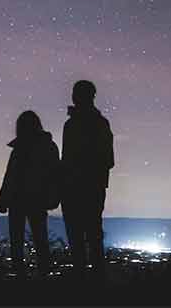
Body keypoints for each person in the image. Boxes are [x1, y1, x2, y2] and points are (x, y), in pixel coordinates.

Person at [0, 110, 61, 279]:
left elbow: (10, 176)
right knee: (39, 238)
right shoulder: (48, 147)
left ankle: (22, 275)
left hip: (21, 199)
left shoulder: (19, 149)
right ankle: (42, 274)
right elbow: (55, 175)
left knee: (19, 240)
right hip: (35, 199)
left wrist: (3, 199)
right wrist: (53, 198)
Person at [61, 80, 114, 281]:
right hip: (92, 187)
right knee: (92, 234)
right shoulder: (99, 123)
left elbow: (67, 160)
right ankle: (96, 279)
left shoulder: (72, 124)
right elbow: (108, 160)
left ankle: (82, 279)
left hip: (78, 188)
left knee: (78, 235)